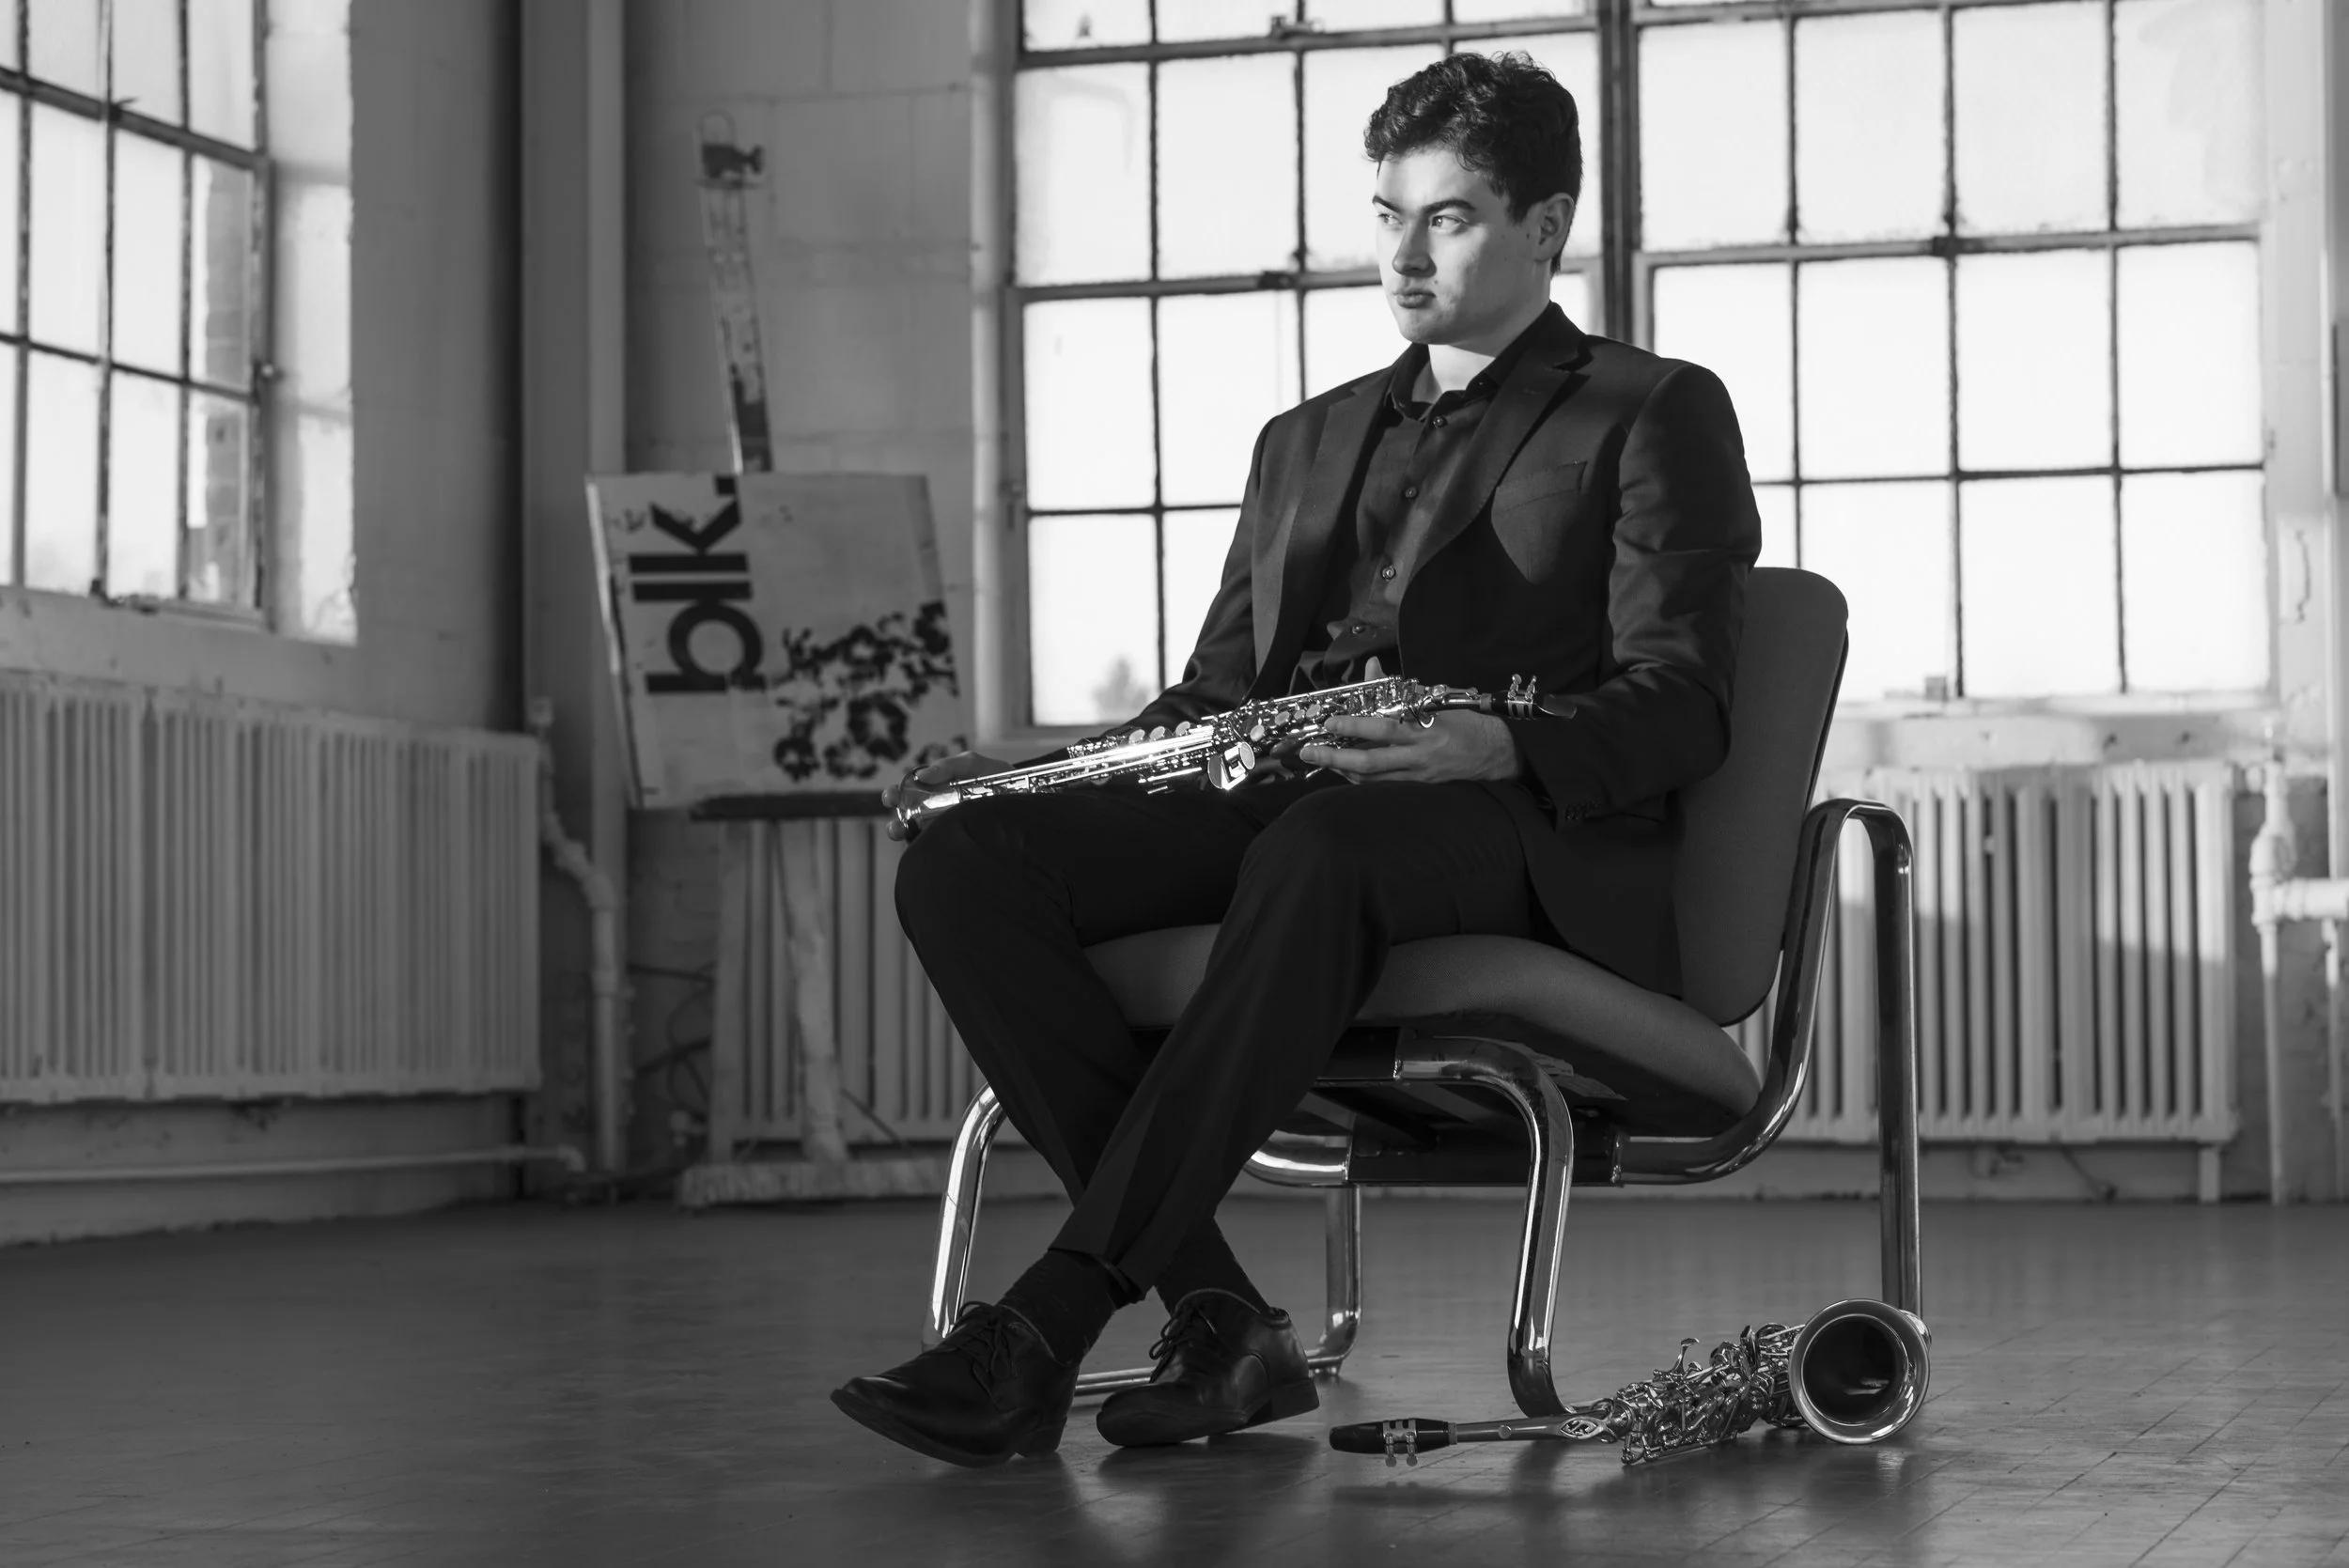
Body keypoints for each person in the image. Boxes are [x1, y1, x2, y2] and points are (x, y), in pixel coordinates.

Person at [831, 50, 1761, 1468]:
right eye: (1386, 212)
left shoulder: (1648, 407)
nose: (1401, 251)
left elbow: (1684, 702)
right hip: (1286, 796)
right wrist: (1028, 773)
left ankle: (1052, 1315)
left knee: (1316, 851)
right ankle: (1222, 1315)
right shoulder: (1301, 440)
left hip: (1502, 821)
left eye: (1445, 217)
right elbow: (1208, 701)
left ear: (1546, 225)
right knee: (968, 868)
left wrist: (1495, 739)